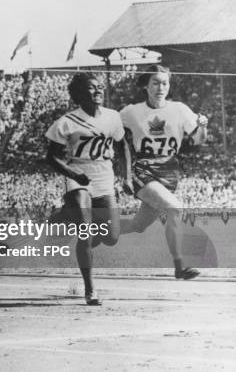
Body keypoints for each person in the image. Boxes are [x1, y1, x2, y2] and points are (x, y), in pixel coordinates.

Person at [45, 73, 128, 305]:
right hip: (78, 178)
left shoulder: (112, 117)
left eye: (100, 87)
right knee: (85, 231)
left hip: (104, 176)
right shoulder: (66, 122)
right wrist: (73, 174)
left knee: (111, 237)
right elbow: (51, 157)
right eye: (92, 88)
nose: (98, 91)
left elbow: (124, 148)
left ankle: (64, 215)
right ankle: (90, 290)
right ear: (79, 94)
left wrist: (127, 176)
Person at [120, 65, 207, 280]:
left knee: (137, 225)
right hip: (144, 170)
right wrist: (121, 170)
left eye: (165, 82)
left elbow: (198, 140)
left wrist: (203, 126)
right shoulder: (132, 111)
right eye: (155, 82)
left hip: (169, 173)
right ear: (146, 86)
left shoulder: (179, 109)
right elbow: (110, 130)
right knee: (175, 208)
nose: (161, 87)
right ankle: (180, 267)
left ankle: (96, 230)